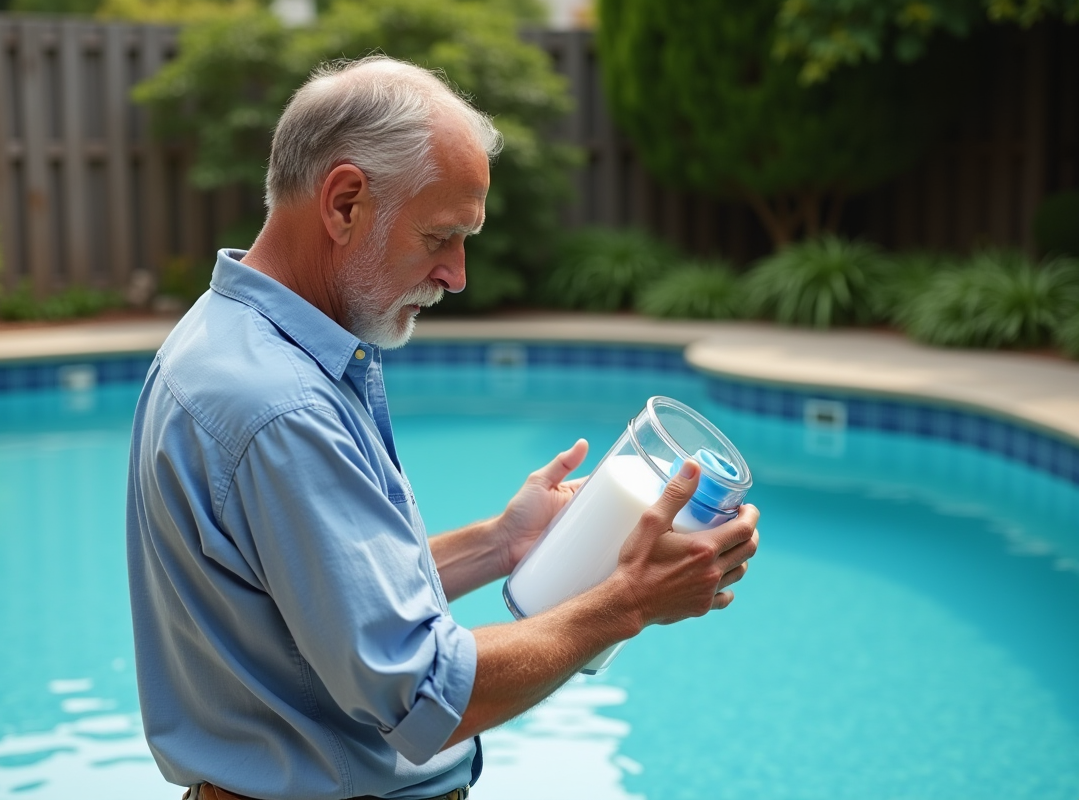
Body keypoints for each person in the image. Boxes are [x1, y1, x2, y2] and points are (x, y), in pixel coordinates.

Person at [126, 55, 760, 800]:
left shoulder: (228, 338)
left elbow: (324, 598)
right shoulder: (282, 405)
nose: (458, 274)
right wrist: (631, 600)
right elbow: (423, 696)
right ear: (345, 204)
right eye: (440, 238)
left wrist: (501, 542)